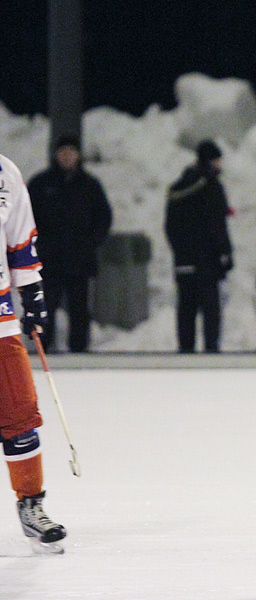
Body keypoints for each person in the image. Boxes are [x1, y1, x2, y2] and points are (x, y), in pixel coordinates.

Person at [0, 152, 67, 551]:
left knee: (21, 413)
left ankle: (31, 506)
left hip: (0, 317)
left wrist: (33, 292)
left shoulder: (5, 173)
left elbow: (20, 241)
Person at [27, 135, 112, 353]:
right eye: (63, 152)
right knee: (46, 306)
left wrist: (92, 242)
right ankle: (44, 349)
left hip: (79, 260)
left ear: (78, 155)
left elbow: (103, 217)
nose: (67, 157)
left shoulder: (90, 185)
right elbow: (25, 217)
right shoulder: (40, 184)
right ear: (55, 154)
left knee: (79, 308)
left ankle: (79, 350)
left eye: (71, 152)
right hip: (49, 259)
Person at [164, 140, 234, 353]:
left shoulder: (178, 187)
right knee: (210, 309)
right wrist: (225, 252)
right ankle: (210, 352)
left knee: (186, 306)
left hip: (184, 260)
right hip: (208, 260)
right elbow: (217, 225)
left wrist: (179, 251)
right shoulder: (212, 186)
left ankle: (185, 350)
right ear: (213, 161)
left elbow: (169, 226)